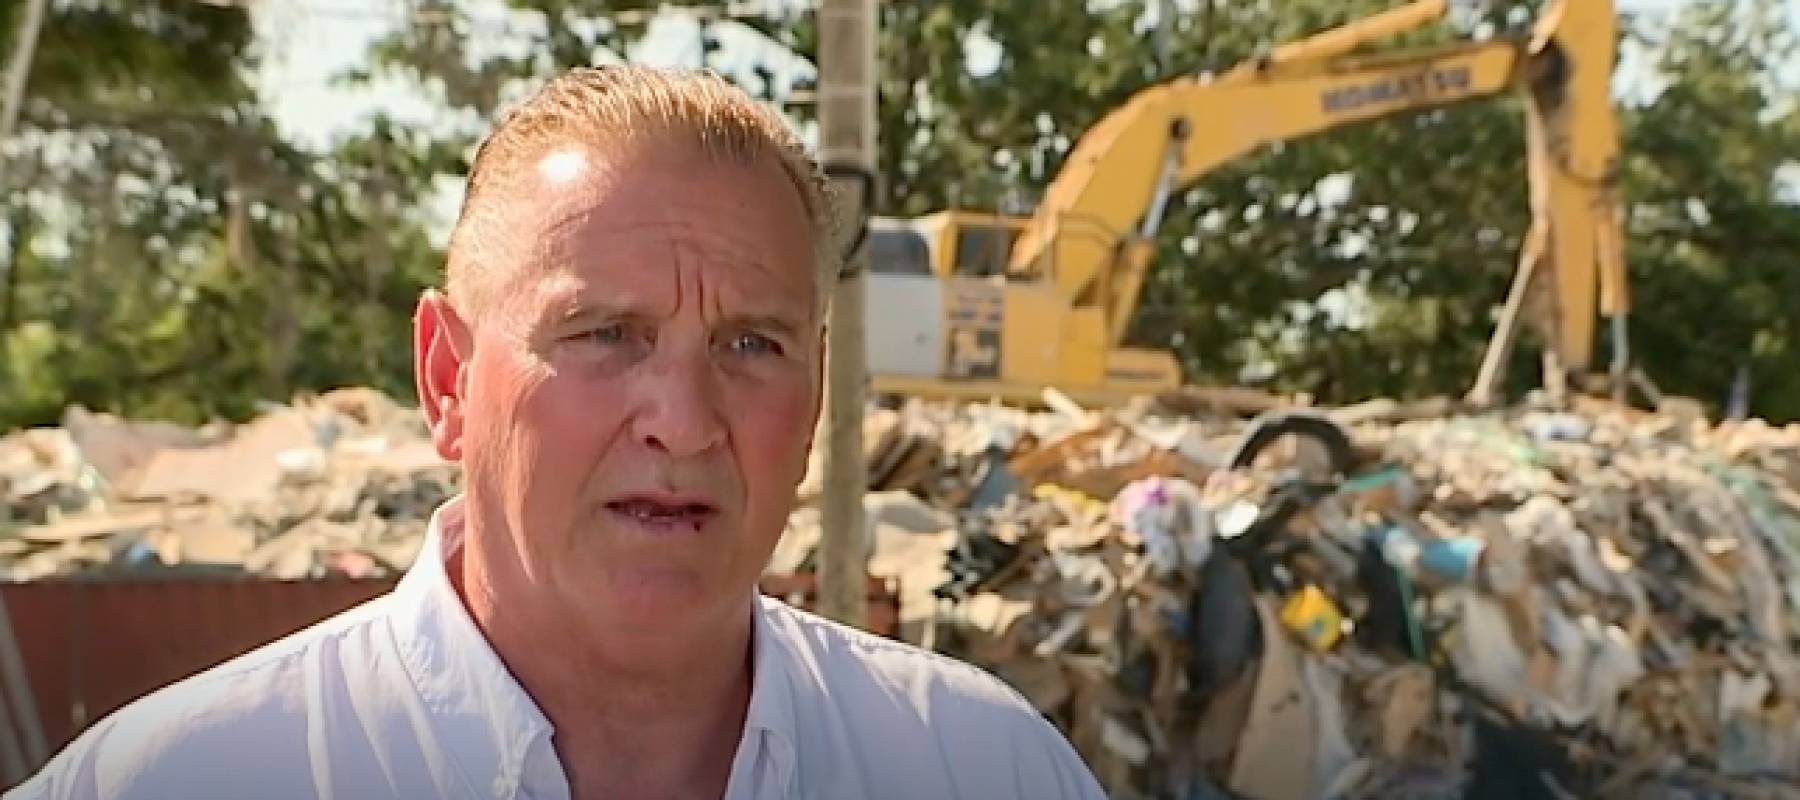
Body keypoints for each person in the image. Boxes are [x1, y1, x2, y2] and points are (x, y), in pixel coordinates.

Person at [6, 66, 1105, 800]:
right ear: (447, 379)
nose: (683, 422)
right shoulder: (180, 780)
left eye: (750, 344)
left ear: (816, 392)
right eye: (605, 334)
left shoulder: (984, 769)